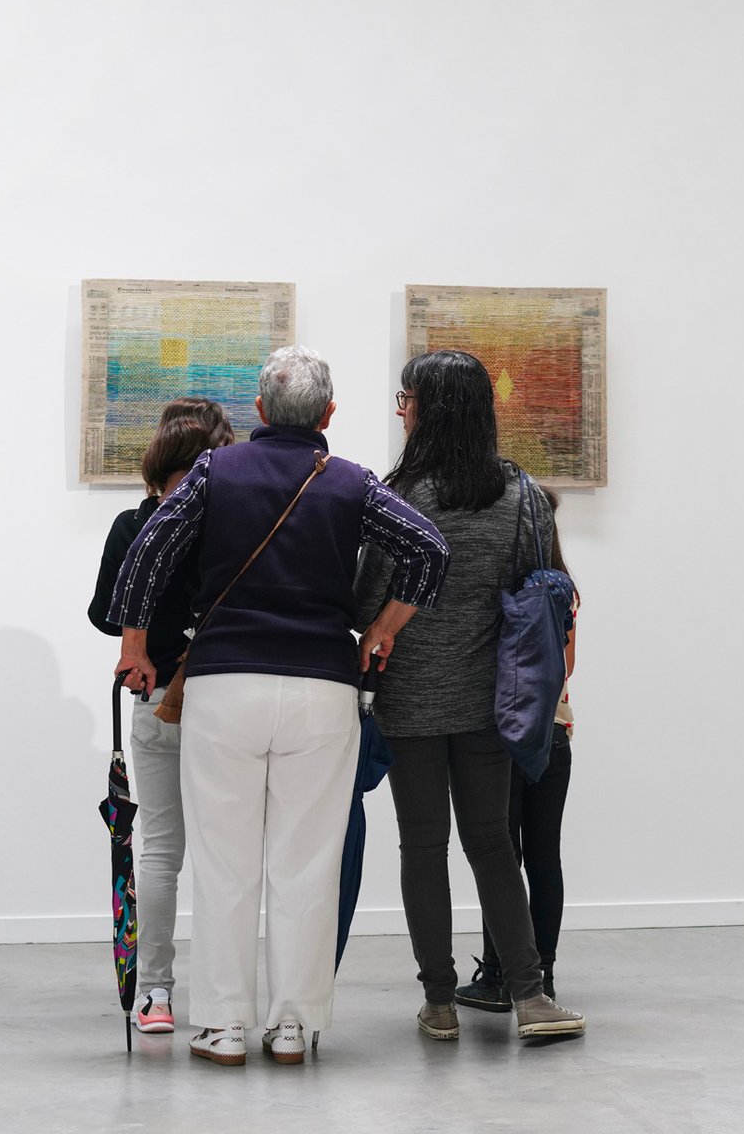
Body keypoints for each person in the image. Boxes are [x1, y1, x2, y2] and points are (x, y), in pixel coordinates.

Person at [109, 346, 450, 1067]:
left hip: (224, 687)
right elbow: (428, 549)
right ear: (329, 415)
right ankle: (293, 1026)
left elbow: (148, 551)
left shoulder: (212, 471)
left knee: (224, 860)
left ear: (260, 412)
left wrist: (135, 646)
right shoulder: (353, 482)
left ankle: (223, 1028)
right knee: (308, 862)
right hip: (322, 691)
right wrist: (382, 632)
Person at [357, 350, 586, 1041]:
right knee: (492, 844)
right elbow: (548, 596)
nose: (399, 408)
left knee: (422, 847)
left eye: (405, 397)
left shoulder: (396, 497)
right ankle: (530, 995)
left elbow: (367, 601)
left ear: (427, 407)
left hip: (410, 703)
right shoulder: (521, 496)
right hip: (494, 702)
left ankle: (440, 1002)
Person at [88, 397, 234, 1036]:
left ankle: (155, 995)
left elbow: (103, 612)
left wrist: (146, 639)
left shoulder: (134, 524)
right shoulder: (231, 529)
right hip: (229, 702)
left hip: (156, 699)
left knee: (161, 853)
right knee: (229, 857)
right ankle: (229, 1000)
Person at [458, 485, 577, 1011]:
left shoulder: (499, 590)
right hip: (553, 731)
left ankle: (500, 975)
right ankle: (543, 975)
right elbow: (568, 667)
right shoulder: (561, 588)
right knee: (544, 854)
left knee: (498, 855)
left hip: (502, 736)